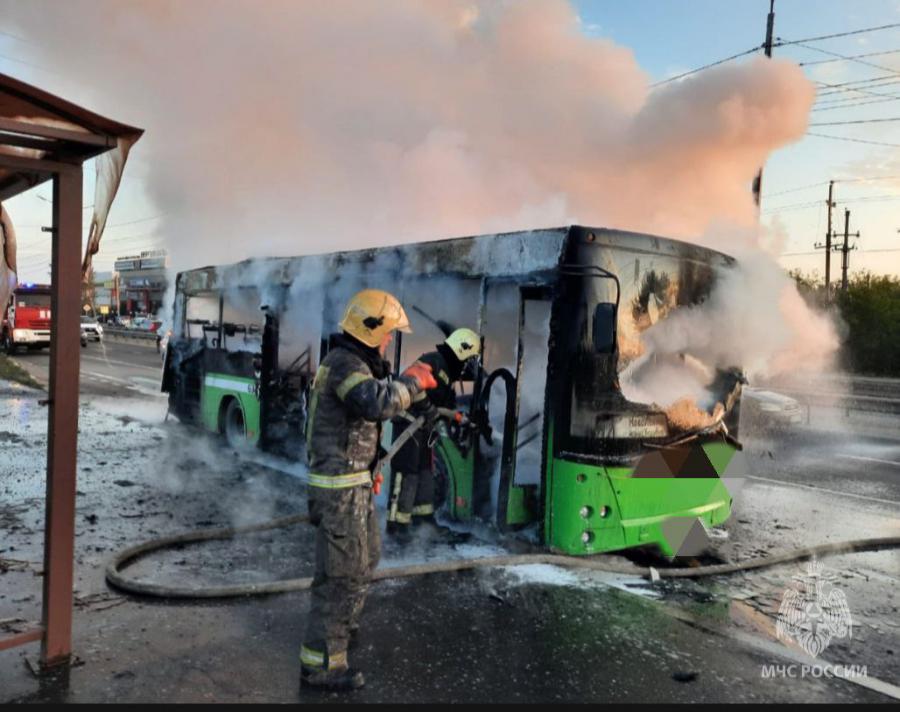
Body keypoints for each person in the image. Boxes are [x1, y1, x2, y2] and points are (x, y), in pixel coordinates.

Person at [300, 289, 437, 692]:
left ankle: (340, 629)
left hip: (351, 485)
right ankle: (324, 663)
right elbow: (375, 404)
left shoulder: (351, 362)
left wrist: (369, 468)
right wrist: (412, 380)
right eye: (389, 332)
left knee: (365, 559)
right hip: (339, 491)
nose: (390, 339)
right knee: (342, 575)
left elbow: (353, 427)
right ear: (371, 329)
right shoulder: (345, 364)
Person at [386, 327, 480, 543]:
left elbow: (442, 406)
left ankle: (423, 521)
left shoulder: (446, 371)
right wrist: (428, 408)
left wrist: (459, 418)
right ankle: (397, 527)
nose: (469, 366)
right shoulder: (434, 361)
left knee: (425, 472)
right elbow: (410, 381)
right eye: (470, 359)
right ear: (462, 351)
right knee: (406, 473)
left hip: (423, 428)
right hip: (409, 424)